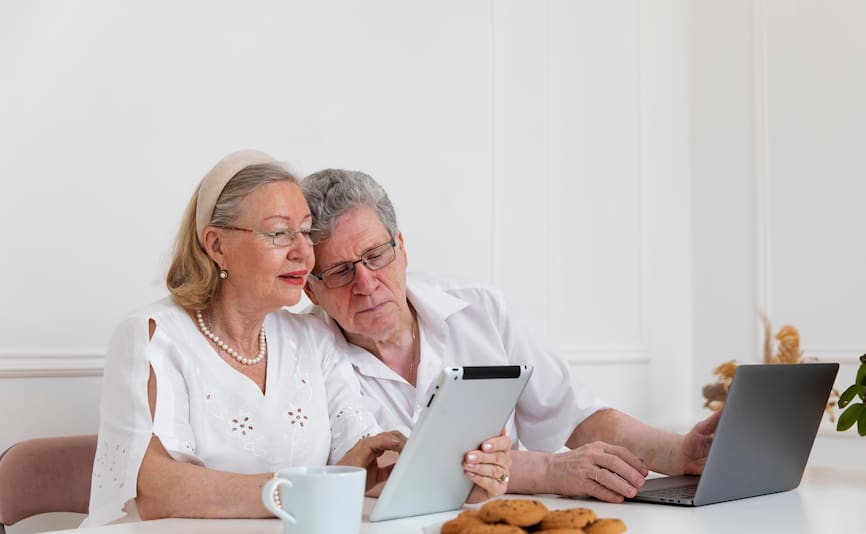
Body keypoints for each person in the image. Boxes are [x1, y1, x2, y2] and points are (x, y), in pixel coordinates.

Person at [83, 151, 510, 526]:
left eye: (305, 232)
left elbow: (366, 461)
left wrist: (460, 479)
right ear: (216, 245)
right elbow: (156, 490)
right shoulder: (154, 336)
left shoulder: (313, 337)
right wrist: (303, 491)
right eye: (279, 233)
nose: (303, 253)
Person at [299, 168, 721, 504]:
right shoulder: (306, 351)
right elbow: (382, 467)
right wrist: (548, 471)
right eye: (340, 271)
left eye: (376, 256)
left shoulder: (480, 308)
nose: (366, 283)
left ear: (402, 249)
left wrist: (678, 451)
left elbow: (576, 415)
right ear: (311, 289)